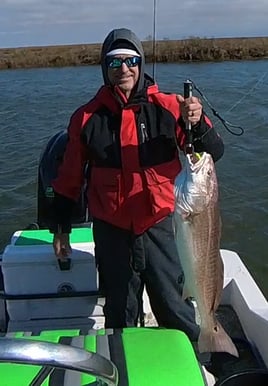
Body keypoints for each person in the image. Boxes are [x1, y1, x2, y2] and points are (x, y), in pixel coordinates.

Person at [49, 27, 224, 342]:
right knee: (120, 309)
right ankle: (122, 364)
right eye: (114, 63)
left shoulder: (171, 106)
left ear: (140, 63)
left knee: (174, 304)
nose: (124, 69)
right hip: (112, 231)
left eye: (130, 60)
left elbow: (213, 152)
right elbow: (69, 176)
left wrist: (195, 121)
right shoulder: (87, 117)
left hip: (162, 226)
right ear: (105, 68)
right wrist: (60, 227)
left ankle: (193, 355)